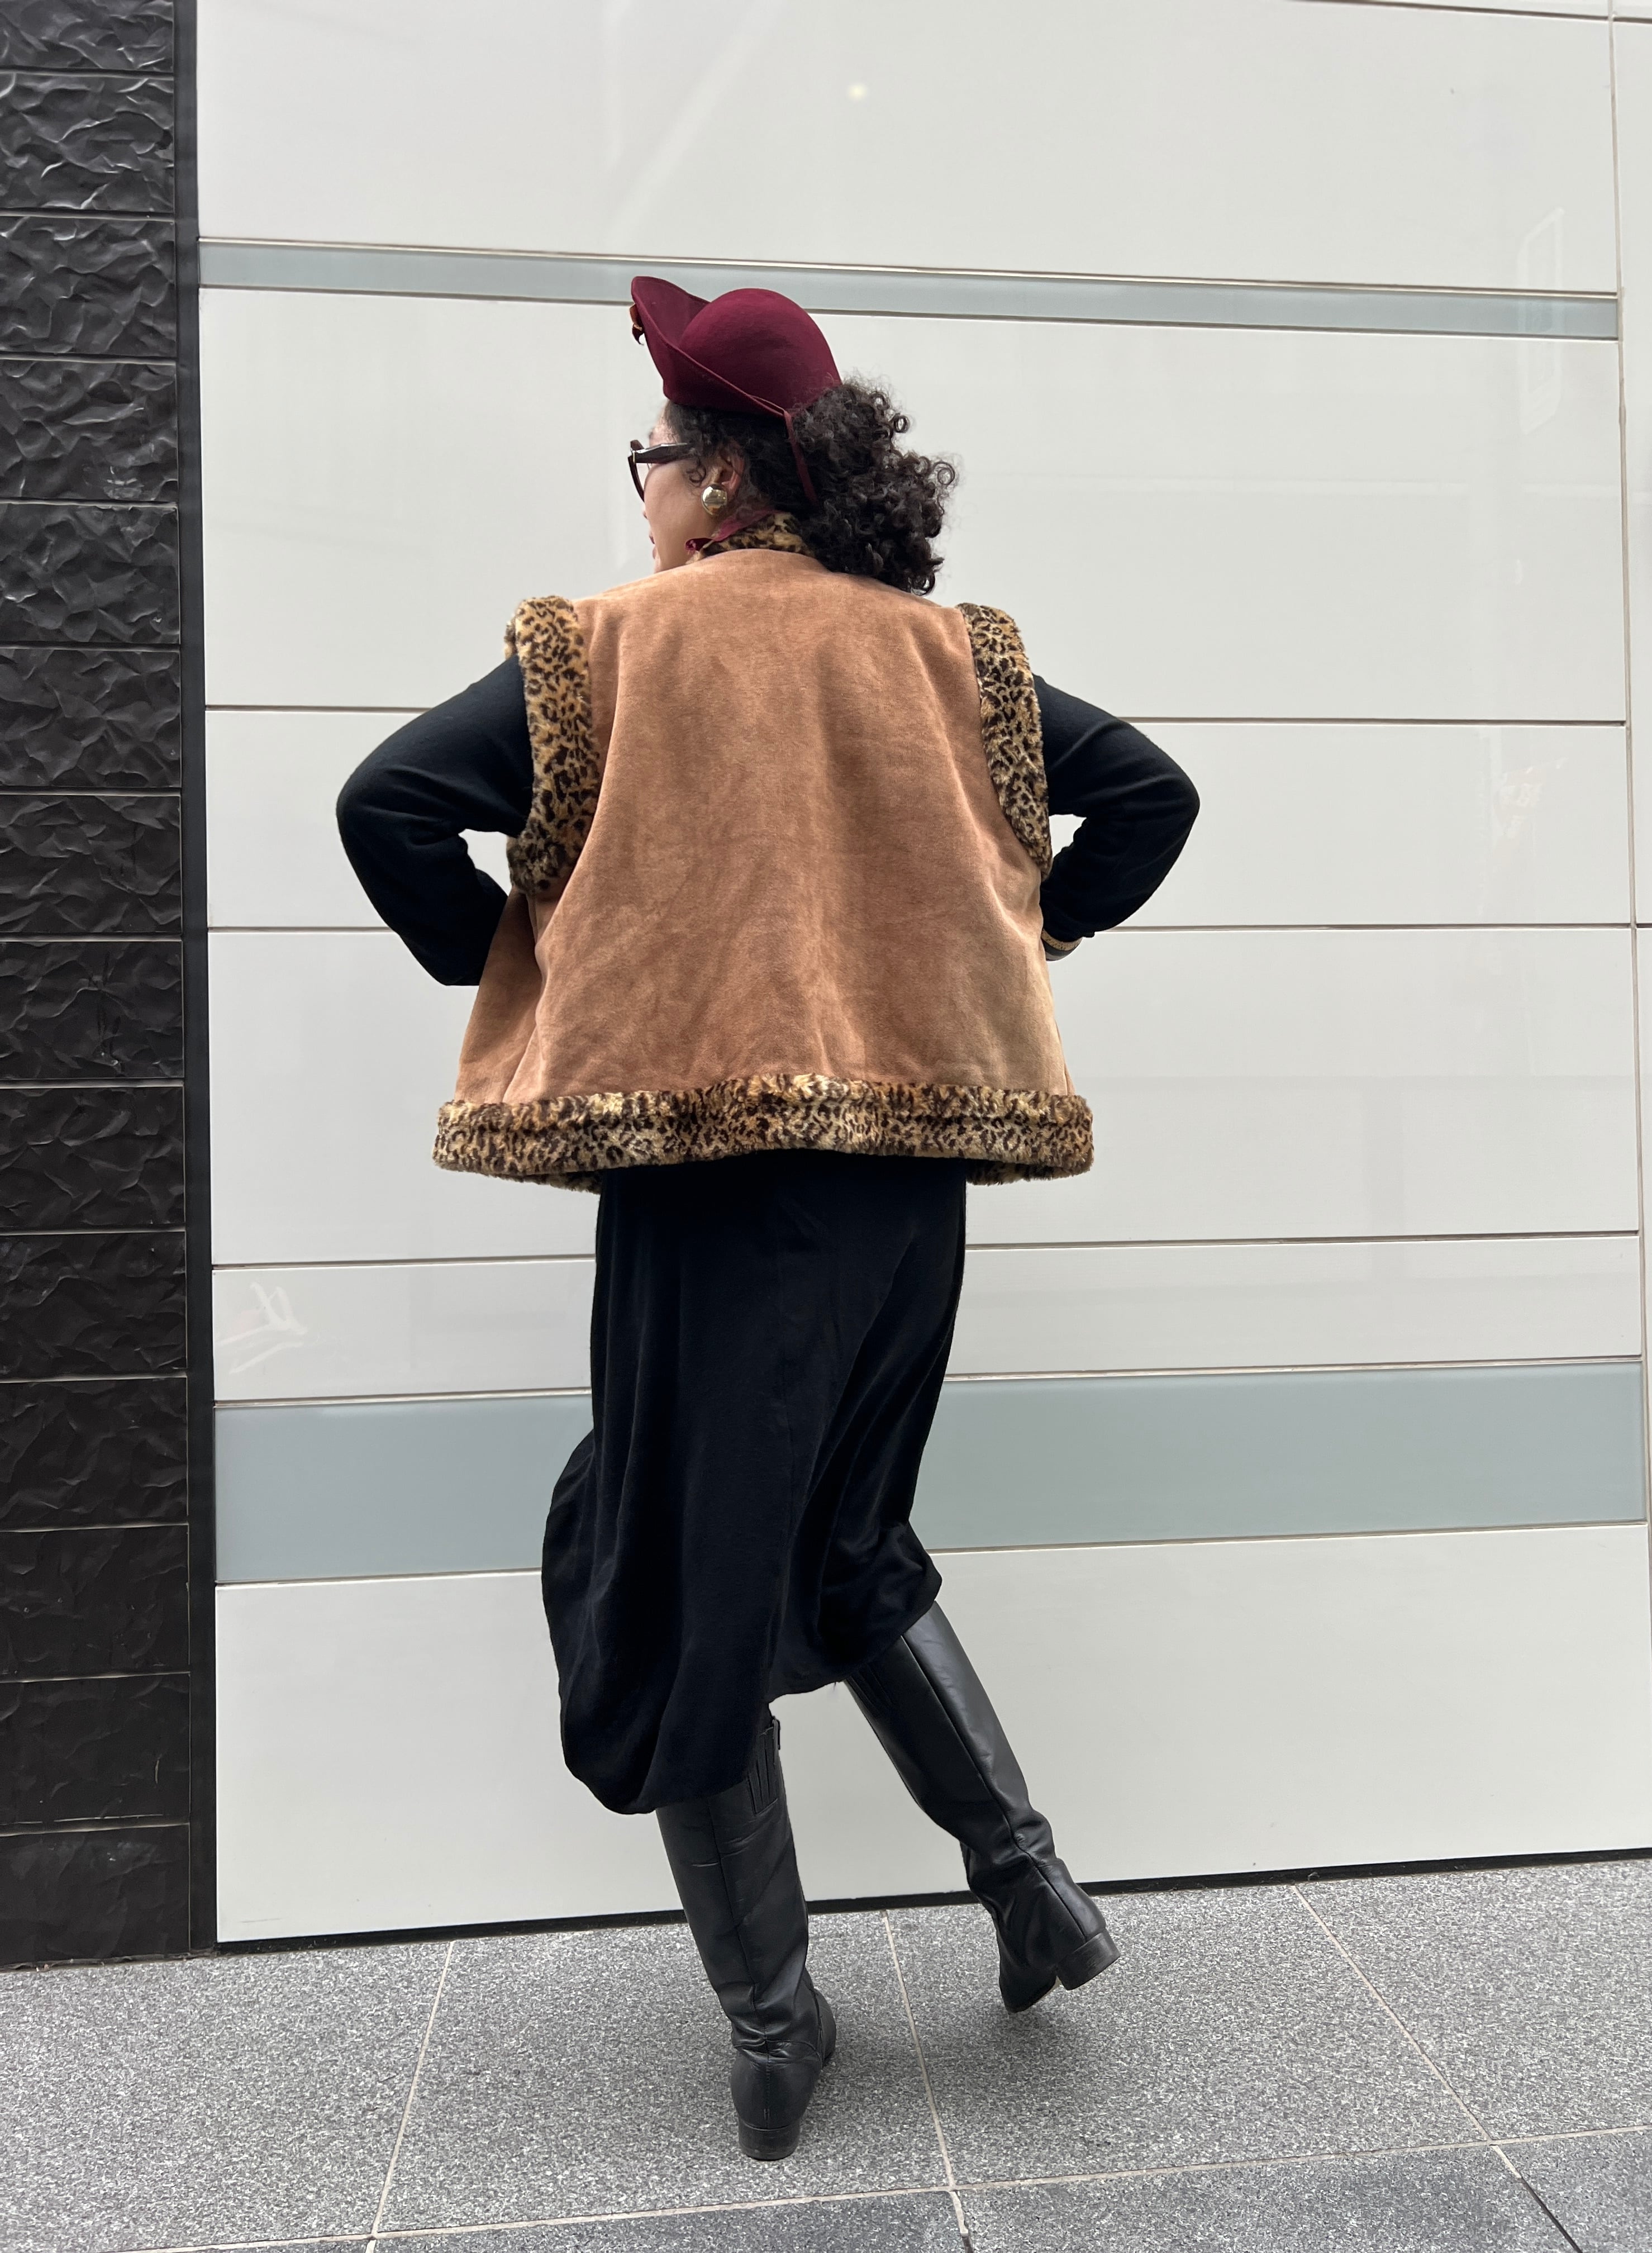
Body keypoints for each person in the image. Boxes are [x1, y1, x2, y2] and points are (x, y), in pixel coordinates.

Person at [337, 277, 1199, 2163]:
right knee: (844, 1540)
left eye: (650, 456)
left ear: (721, 472)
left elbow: (386, 800)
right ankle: (1030, 1885)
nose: (642, 488)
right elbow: (1151, 794)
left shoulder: (608, 651)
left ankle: (774, 2020)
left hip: (711, 1207)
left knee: (673, 1573)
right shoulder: (948, 657)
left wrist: (521, 961)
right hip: (905, 1207)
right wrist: (1015, 932)